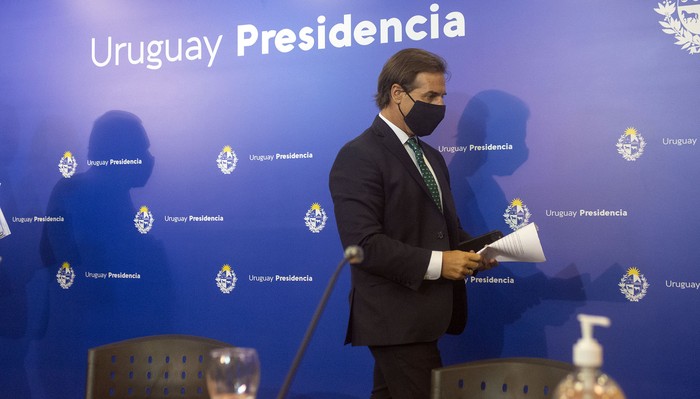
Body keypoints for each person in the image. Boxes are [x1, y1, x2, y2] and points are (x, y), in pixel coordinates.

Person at [328, 48, 497, 399]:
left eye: (442, 97)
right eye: (429, 96)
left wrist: (477, 252)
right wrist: (440, 263)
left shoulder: (432, 156)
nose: (438, 106)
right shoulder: (358, 155)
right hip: (394, 318)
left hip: (425, 315)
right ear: (397, 94)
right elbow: (363, 245)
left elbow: (443, 229)